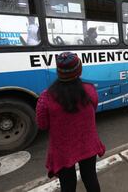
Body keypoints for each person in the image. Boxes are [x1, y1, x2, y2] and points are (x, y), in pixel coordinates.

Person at [36, 52, 105, 192]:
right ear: (79, 70)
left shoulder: (46, 97)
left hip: (63, 150)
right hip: (88, 143)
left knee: (67, 185)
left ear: (58, 71)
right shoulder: (90, 90)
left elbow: (42, 124)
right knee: (90, 178)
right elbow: (93, 110)